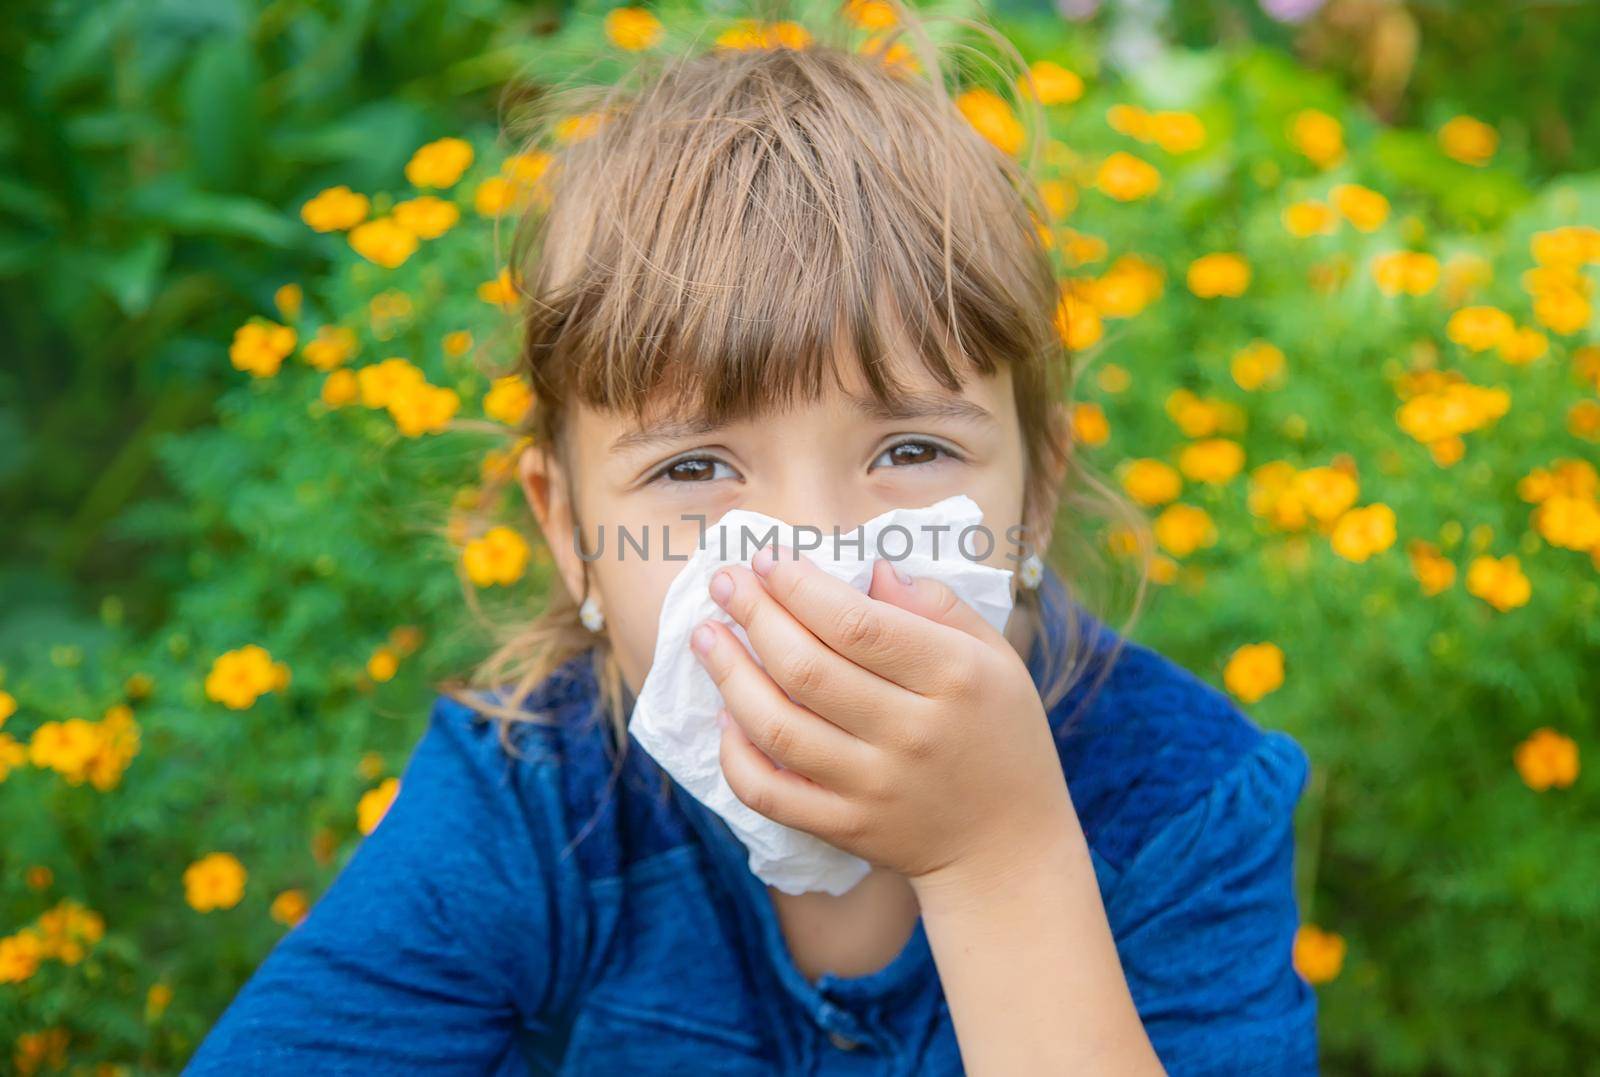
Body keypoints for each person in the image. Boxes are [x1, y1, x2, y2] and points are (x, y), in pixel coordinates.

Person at [188, 12, 1317, 1074]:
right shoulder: (532, 805)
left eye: (911, 450)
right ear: (573, 537)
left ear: (1035, 490)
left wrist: (999, 857)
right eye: (692, 470)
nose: (814, 547)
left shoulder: (1183, 804)